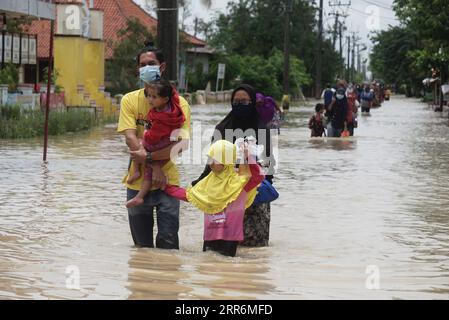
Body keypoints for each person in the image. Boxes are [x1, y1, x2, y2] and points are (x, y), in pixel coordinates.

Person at [118, 43, 191, 249]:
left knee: (168, 246)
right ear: (138, 69)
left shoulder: (180, 105)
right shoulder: (129, 100)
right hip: (137, 181)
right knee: (141, 249)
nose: (146, 68)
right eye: (143, 65)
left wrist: (151, 159)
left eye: (151, 64)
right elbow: (130, 137)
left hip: (168, 182)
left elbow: (182, 144)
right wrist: (154, 165)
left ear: (162, 67)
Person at [192, 84, 276, 247]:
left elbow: (268, 163)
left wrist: (266, 183)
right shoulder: (222, 129)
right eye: (236, 101)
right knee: (222, 245)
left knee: (254, 250)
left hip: (254, 193)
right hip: (224, 194)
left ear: (252, 103)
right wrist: (199, 183)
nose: (239, 105)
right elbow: (212, 160)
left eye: (244, 101)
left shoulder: (262, 130)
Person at [166, 140, 264, 257]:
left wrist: (248, 156)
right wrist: (166, 187)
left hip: (229, 237)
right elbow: (190, 195)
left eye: (214, 159)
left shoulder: (240, 182)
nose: (210, 163)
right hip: (210, 234)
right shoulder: (207, 182)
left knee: (226, 267)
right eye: (209, 158)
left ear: (226, 160)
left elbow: (258, 175)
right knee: (208, 266)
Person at [126, 80, 185, 209]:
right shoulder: (174, 108)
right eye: (148, 95)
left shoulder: (161, 116)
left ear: (164, 99)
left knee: (138, 146)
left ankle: (139, 191)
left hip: (157, 144)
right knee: (138, 149)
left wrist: (146, 136)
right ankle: (143, 189)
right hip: (166, 147)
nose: (149, 100)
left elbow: (154, 136)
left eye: (154, 97)